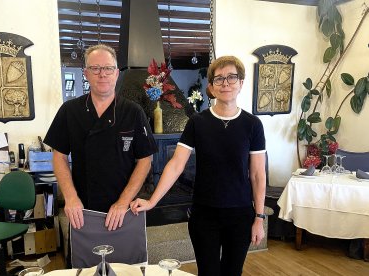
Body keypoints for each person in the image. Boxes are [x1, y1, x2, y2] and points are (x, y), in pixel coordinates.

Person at [131, 56, 267, 276]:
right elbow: (176, 164)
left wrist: (259, 218)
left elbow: (258, 175)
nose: (225, 83)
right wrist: (152, 201)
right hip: (204, 216)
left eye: (232, 77)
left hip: (240, 215)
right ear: (211, 87)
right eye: (219, 79)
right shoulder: (197, 122)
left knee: (233, 273)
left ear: (241, 83)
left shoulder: (253, 125)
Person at [44, 44, 157, 232]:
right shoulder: (69, 111)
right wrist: (70, 197)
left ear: (116, 73)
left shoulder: (133, 112)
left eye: (108, 68)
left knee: (126, 261)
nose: (102, 74)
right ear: (86, 73)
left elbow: (145, 160)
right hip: (83, 208)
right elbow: (59, 156)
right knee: (85, 261)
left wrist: (123, 202)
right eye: (95, 68)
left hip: (126, 208)